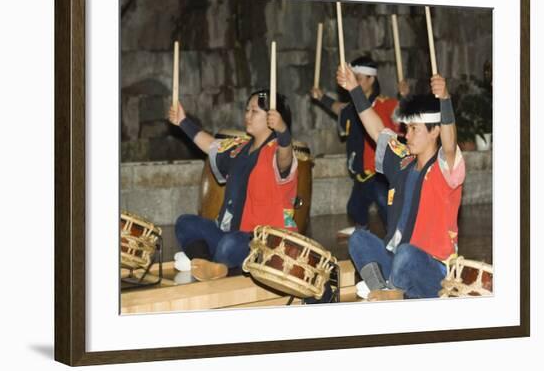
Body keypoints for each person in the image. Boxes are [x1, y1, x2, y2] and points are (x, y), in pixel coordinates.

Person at [336, 65, 465, 300]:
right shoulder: (403, 160)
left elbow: (449, 143)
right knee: (358, 238)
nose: (406, 135)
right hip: (396, 261)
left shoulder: (445, 166)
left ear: (435, 130)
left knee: (407, 254)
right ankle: (386, 289)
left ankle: (388, 291)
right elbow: (377, 131)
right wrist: (354, 88)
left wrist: (445, 100)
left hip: (432, 272)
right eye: (407, 128)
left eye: (414, 129)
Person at [168, 90, 298, 281]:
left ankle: (217, 266)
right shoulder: (239, 148)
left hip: (263, 243)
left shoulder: (277, 153)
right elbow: (212, 145)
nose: (247, 116)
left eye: (254, 111)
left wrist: (283, 132)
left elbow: (285, 158)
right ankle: (207, 266)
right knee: (185, 223)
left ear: (273, 118)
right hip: (230, 234)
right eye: (247, 110)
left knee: (230, 245)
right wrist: (183, 121)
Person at [311, 56, 405, 233]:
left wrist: (406, 97)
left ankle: (397, 236)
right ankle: (365, 238)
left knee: (385, 204)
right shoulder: (351, 107)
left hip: (380, 174)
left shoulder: (386, 104)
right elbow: (338, 107)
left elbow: (401, 115)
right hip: (361, 173)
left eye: (359, 78)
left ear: (371, 79)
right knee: (355, 208)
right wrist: (321, 97)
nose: (356, 81)